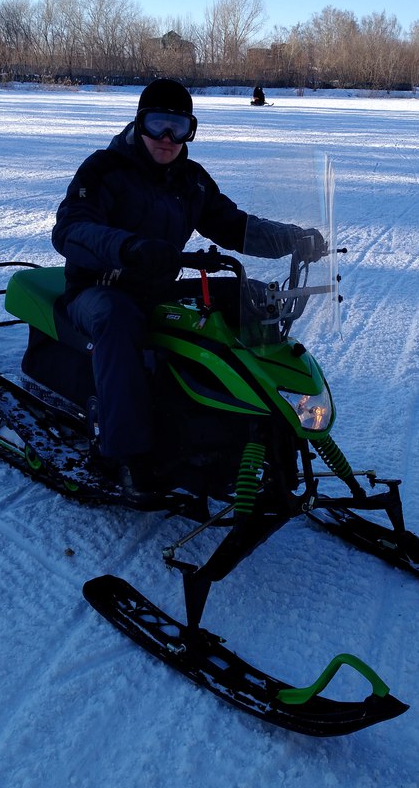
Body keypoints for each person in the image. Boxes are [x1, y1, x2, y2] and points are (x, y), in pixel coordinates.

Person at [51, 78, 326, 505]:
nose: (167, 138)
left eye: (178, 128)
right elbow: (71, 229)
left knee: (246, 297)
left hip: (159, 283)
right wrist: (128, 247)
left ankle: (247, 429)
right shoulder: (104, 170)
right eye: (158, 124)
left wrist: (292, 238)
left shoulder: (190, 180)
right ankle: (124, 455)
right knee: (119, 321)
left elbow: (233, 225)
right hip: (99, 286)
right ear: (139, 124)